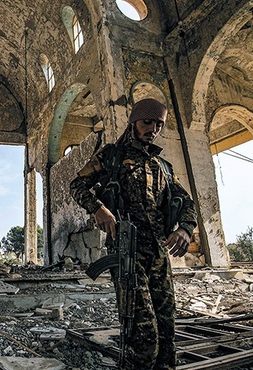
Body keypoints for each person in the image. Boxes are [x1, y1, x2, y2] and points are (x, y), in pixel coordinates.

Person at [69, 98, 197, 369]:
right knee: (142, 335)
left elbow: (186, 201)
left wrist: (185, 228)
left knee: (167, 332)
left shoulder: (162, 166)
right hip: (127, 252)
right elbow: (77, 184)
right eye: (147, 122)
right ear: (133, 123)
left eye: (159, 124)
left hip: (159, 255)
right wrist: (97, 208)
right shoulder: (111, 156)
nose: (153, 129)